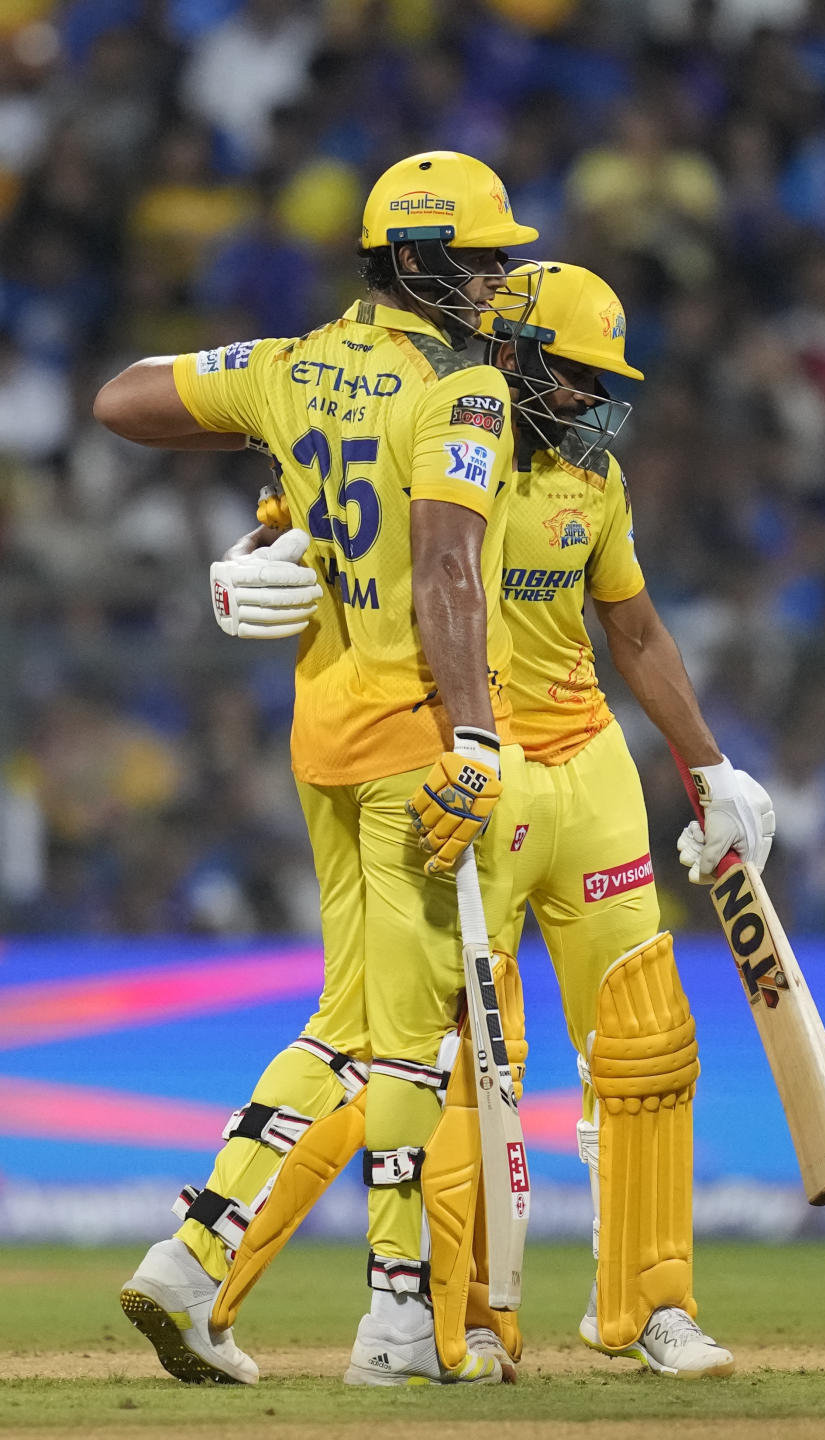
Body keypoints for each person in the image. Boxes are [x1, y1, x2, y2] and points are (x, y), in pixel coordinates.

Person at [210, 262, 775, 1380]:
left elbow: (640, 635)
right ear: (511, 355)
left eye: (603, 382)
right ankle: (452, 1319)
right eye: (573, 377)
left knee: (647, 1044)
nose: (591, 402)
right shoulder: (434, 426)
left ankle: (651, 1309)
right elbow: (325, 523)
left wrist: (710, 770)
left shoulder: (592, 476)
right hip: (470, 768)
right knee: (454, 1060)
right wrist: (256, 551)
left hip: (591, 767)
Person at [93, 149, 542, 1388]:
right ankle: (394, 1324)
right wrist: (477, 735)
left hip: (322, 734)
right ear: (421, 261)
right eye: (485, 258)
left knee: (352, 1018)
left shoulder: (290, 365)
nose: (502, 280)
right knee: (405, 1040)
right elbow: (449, 566)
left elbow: (123, 401)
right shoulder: (462, 395)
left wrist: (274, 509)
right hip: (416, 737)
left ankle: (193, 1259)